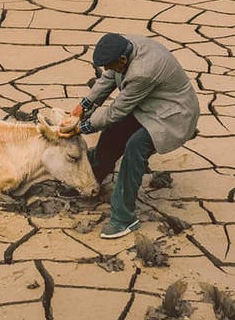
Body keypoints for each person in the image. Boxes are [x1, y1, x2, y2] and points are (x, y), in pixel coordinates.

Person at [59, 33, 200, 239]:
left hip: (172, 114)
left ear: (123, 60)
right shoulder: (125, 48)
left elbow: (116, 111)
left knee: (135, 147)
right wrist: (82, 107)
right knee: (111, 134)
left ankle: (124, 217)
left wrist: (82, 128)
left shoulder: (143, 72)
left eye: (110, 65)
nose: (107, 70)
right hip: (148, 105)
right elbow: (108, 79)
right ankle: (92, 179)